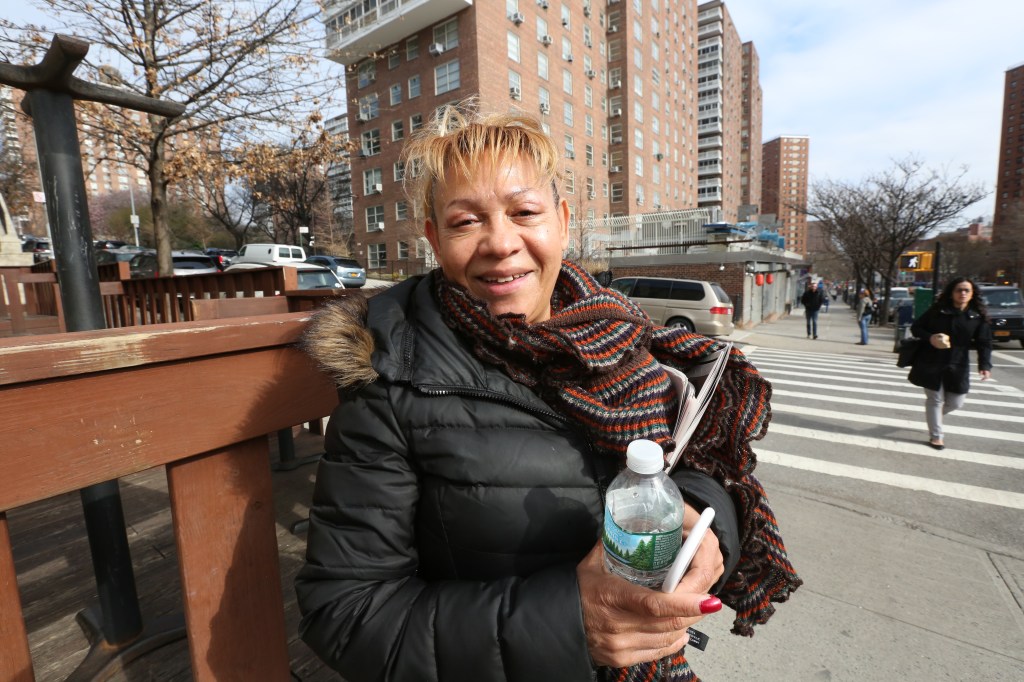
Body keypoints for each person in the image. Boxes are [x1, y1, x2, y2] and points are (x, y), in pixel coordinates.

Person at [295, 105, 800, 682]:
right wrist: (567, 625)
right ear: (434, 239)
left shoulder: (622, 336)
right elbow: (345, 612)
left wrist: (708, 526)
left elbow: (699, 464)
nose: (500, 243)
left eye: (524, 212)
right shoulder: (389, 376)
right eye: (465, 222)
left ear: (561, 221)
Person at [908, 277, 992, 450]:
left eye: (966, 290)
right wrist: (930, 337)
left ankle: (934, 418)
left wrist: (985, 365)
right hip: (932, 360)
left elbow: (984, 342)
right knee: (935, 399)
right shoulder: (938, 311)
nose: (962, 293)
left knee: (956, 402)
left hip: (958, 363)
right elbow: (916, 327)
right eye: (959, 290)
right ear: (952, 293)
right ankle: (936, 436)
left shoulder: (976, 316)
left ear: (972, 293)